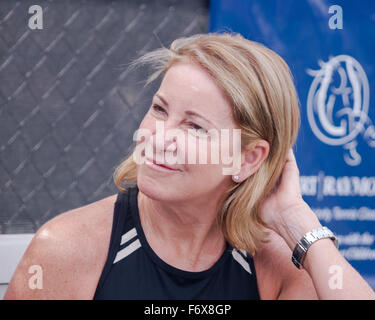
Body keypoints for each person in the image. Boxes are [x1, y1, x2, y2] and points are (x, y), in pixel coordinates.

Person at [4, 33, 375, 300]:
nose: (158, 137)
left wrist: (298, 223)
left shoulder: (277, 264)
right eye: (160, 109)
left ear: (247, 159)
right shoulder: (69, 249)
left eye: (195, 127)